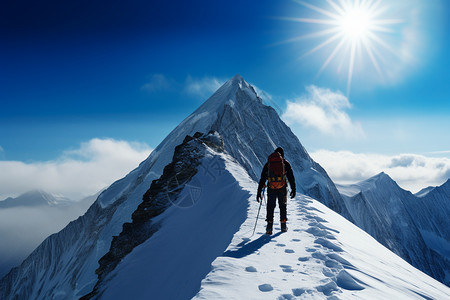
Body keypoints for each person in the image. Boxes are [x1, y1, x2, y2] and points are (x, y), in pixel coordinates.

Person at [257, 147, 296, 234]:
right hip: (282, 188)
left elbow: (262, 178)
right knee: (282, 206)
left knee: (270, 206)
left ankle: (269, 227)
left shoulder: (269, 164)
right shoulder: (285, 164)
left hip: (271, 188)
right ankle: (283, 226)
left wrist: (259, 192)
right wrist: (293, 189)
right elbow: (291, 178)